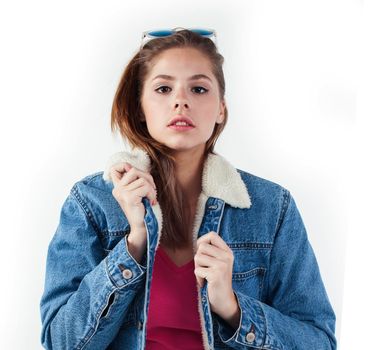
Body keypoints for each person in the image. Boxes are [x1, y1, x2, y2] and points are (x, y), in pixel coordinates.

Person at [40, 28, 337, 349]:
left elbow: (319, 341)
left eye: (198, 88)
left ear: (221, 108)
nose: (180, 100)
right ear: (140, 106)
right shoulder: (92, 201)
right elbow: (61, 341)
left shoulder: (271, 206)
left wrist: (233, 308)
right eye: (164, 88)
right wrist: (134, 243)